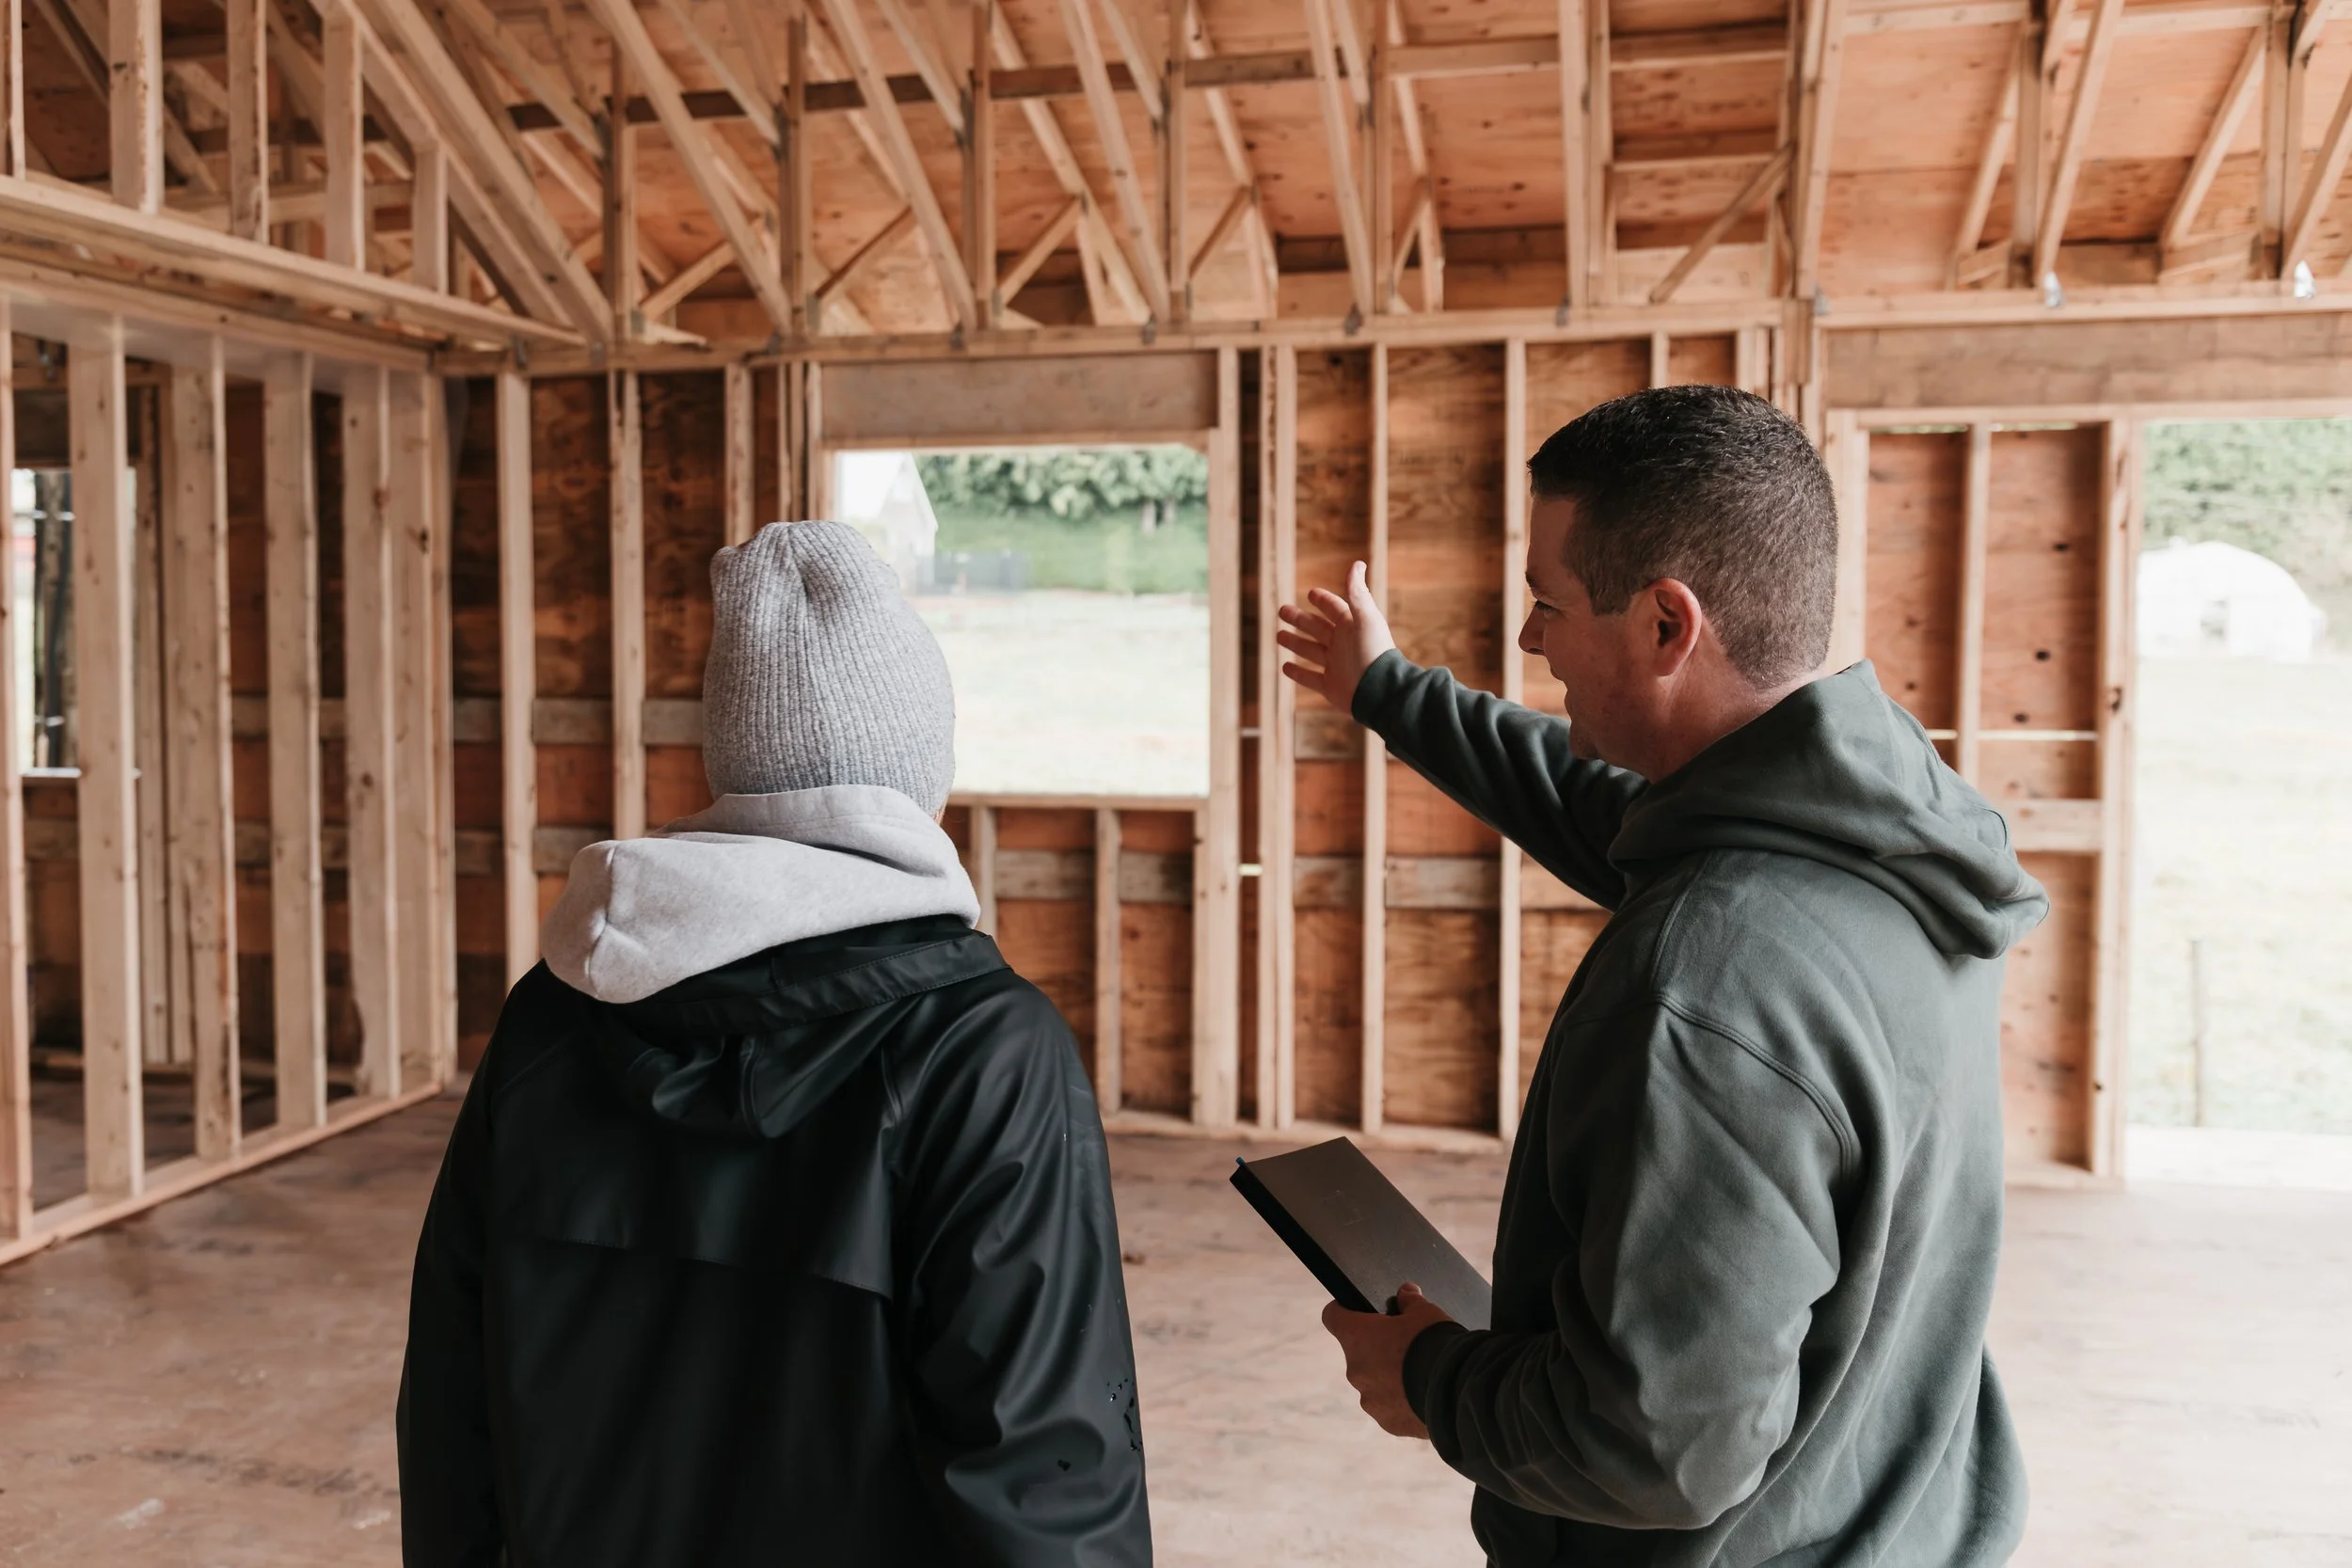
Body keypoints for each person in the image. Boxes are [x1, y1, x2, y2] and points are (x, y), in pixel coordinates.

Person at [1277, 386, 2042, 1567]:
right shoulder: (1881, 834)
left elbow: (1658, 1446)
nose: (1531, 641)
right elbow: (1608, 811)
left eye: (1548, 603)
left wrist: (1429, 1373)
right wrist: (1388, 688)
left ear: (1666, 626)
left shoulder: (1708, 986)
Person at [398, 520, 1152, 1568]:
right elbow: (1044, 1470)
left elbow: (451, 1398)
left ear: (734, 768)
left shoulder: (552, 1012)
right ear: (917, 772)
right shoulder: (981, 1049)